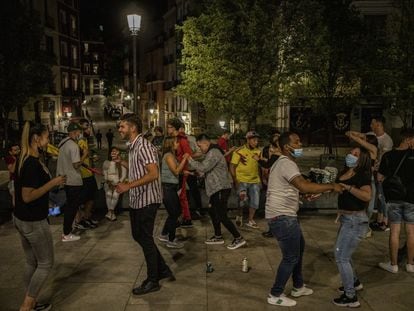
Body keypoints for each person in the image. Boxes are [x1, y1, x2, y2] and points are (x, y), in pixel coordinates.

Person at [266, 131, 342, 307]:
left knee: (299, 249)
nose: (301, 145)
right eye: (297, 142)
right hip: (282, 217)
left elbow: (295, 187)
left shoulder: (285, 163)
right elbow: (303, 184)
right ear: (287, 147)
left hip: (285, 215)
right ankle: (275, 294)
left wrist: (305, 194)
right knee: (290, 257)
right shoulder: (286, 163)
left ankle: (298, 286)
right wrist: (331, 185)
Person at [115, 113, 174, 296]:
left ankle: (153, 280)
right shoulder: (132, 147)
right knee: (138, 235)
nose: (119, 129)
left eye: (122, 126)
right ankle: (162, 269)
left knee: (145, 238)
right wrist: (121, 162)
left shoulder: (143, 146)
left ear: (133, 128)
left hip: (147, 200)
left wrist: (127, 186)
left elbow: (153, 173)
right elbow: (137, 169)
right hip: (137, 199)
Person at [14, 122, 66, 311]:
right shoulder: (30, 164)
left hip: (22, 218)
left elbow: (17, 195)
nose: (49, 139)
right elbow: (27, 196)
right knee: (45, 263)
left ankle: (31, 302)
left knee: (31, 262)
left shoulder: (26, 158)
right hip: (33, 220)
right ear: (37, 138)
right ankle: (27, 305)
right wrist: (53, 183)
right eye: (46, 136)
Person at [189, 134, 247, 250]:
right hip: (216, 189)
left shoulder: (213, 152)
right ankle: (218, 236)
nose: (200, 149)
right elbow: (207, 170)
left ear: (205, 142)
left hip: (221, 188)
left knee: (221, 215)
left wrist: (189, 159)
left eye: (200, 146)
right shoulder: (211, 152)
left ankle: (238, 238)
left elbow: (204, 167)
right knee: (212, 211)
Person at [332, 146, 372, 307]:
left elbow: (367, 196)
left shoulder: (363, 175)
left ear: (361, 159)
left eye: (356, 154)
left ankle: (350, 297)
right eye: (351, 153)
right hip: (346, 218)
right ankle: (354, 282)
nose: (351, 156)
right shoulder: (344, 172)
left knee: (341, 257)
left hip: (355, 220)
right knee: (343, 254)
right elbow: (337, 189)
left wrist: (349, 187)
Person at [377, 128, 414, 274]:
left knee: (394, 231)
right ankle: (410, 264)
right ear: (408, 139)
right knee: (411, 232)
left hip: (393, 199)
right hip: (412, 199)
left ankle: (393, 265)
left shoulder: (388, 155)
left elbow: (379, 178)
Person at [158, 136, 189, 249]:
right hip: (168, 189)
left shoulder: (171, 156)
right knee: (174, 214)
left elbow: (175, 171)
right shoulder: (169, 156)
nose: (178, 144)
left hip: (171, 188)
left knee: (175, 212)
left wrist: (184, 172)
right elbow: (176, 171)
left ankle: (164, 234)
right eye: (176, 142)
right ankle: (170, 240)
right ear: (171, 144)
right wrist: (185, 159)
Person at [346, 131, 378, 237]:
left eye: (365, 141)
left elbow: (365, 144)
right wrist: (358, 135)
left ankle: (364, 227)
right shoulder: (360, 152)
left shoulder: (373, 151)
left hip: (369, 180)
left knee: (369, 207)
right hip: (358, 180)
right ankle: (357, 227)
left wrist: (357, 138)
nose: (362, 142)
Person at [56, 122, 83, 242]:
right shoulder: (73, 146)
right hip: (73, 180)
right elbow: (76, 165)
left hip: (65, 179)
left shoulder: (63, 143)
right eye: (78, 132)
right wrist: (85, 156)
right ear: (74, 132)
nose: (79, 134)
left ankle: (68, 229)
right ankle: (66, 233)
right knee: (71, 207)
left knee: (69, 206)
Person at [230, 131, 262, 229]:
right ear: (248, 140)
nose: (256, 142)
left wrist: (261, 179)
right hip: (241, 180)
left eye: (257, 140)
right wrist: (235, 180)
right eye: (253, 140)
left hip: (255, 181)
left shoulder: (258, 151)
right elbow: (232, 166)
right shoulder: (239, 151)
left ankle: (250, 220)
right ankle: (239, 216)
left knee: (255, 202)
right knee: (241, 200)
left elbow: (259, 166)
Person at [166, 118, 193, 227]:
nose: (167, 129)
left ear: (174, 128)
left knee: (181, 196)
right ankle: (183, 217)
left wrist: (184, 168)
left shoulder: (182, 140)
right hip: (176, 170)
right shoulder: (175, 139)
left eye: (169, 127)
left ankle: (185, 218)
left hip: (180, 172)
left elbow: (188, 154)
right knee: (180, 196)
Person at [368, 116, 393, 231]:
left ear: (378, 125)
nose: (370, 126)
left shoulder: (387, 141)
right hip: (375, 171)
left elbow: (385, 160)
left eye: (372, 124)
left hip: (381, 173)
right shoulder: (373, 136)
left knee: (382, 197)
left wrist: (380, 172)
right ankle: (379, 220)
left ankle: (385, 223)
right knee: (379, 196)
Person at [75, 119, 98, 229]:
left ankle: (86, 218)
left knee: (91, 197)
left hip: (89, 173)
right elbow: (77, 160)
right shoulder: (79, 141)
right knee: (81, 200)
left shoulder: (84, 140)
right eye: (86, 127)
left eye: (88, 127)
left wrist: (91, 157)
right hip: (82, 175)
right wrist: (85, 154)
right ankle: (80, 220)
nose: (89, 129)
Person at [257, 129, 281, 237]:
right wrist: (264, 178)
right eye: (275, 138)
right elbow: (265, 166)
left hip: (281, 180)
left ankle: (276, 229)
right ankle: (272, 229)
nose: (277, 140)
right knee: (271, 206)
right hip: (270, 179)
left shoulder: (284, 151)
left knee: (278, 206)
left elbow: (298, 155)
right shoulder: (267, 149)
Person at [103, 147, 127, 221]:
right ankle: (111, 213)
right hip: (108, 182)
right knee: (109, 194)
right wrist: (108, 181)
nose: (113, 153)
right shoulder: (106, 162)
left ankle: (110, 212)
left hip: (118, 182)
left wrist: (119, 182)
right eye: (112, 151)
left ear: (118, 153)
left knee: (115, 195)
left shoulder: (121, 163)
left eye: (115, 151)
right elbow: (105, 173)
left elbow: (123, 175)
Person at [4, 142, 20, 207]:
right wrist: (17, 159)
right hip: (13, 180)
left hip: (21, 179)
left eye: (18, 149)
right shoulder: (9, 158)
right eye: (15, 150)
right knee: (15, 195)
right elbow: (12, 170)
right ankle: (15, 210)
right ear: (10, 152)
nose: (18, 151)